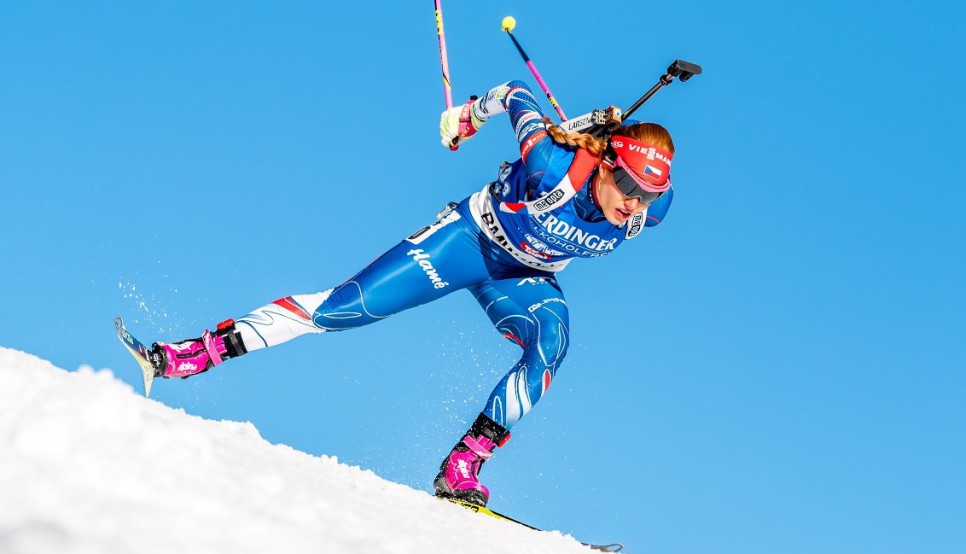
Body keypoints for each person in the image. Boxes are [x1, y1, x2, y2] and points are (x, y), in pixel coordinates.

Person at [146, 79, 677, 507]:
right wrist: (469, 117)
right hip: (467, 241)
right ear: (607, 164)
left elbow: (642, 182)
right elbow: (517, 91)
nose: (635, 204)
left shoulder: (647, 213)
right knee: (347, 310)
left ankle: (464, 464)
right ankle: (197, 352)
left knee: (552, 343)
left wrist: (591, 126)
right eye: (629, 186)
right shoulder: (549, 168)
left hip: (523, 277)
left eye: (648, 195)